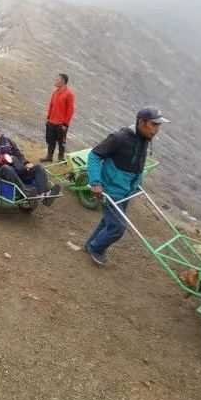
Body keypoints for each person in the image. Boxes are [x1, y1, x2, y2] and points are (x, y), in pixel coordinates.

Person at [84, 107, 169, 265]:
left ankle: (90, 245)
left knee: (108, 222)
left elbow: (138, 164)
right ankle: (96, 249)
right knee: (118, 227)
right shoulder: (119, 138)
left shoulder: (145, 139)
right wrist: (95, 182)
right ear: (141, 122)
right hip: (111, 189)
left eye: (159, 125)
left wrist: (137, 183)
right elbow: (94, 155)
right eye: (154, 125)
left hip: (126, 191)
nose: (157, 130)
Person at [0, 121, 60, 204]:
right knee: (6, 168)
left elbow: (19, 155)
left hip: (17, 169)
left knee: (38, 168)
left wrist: (25, 163)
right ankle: (26, 192)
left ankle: (43, 195)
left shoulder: (7, 141)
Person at [40, 73, 75, 163]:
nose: (55, 81)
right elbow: (51, 105)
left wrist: (65, 124)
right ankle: (49, 156)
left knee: (61, 142)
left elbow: (70, 110)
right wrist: (48, 118)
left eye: (57, 79)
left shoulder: (69, 94)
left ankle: (60, 158)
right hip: (52, 121)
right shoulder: (55, 92)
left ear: (63, 81)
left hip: (61, 124)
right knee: (50, 140)